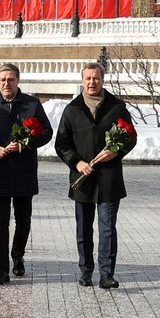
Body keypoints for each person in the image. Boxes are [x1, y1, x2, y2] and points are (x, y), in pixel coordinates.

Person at [54, 62, 136, 289]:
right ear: (82, 81)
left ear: (103, 80)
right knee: (84, 228)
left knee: (107, 228)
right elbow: (61, 144)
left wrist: (116, 152)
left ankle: (107, 273)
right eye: (88, 78)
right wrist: (77, 162)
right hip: (83, 180)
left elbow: (130, 137)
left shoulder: (117, 107)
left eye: (96, 78)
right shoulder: (72, 109)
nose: (92, 82)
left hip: (109, 179)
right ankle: (86, 270)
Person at [0, 63, 53, 286]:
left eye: (10, 79)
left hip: (24, 171)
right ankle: (2, 269)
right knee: (0, 221)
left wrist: (27, 143)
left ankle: (17, 255)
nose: (6, 84)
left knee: (23, 220)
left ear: (18, 81)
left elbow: (46, 132)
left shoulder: (32, 104)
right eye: (2, 80)